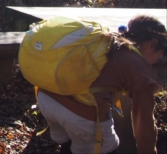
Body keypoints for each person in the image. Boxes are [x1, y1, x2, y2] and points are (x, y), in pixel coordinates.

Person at [37, 15, 166, 154]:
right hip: (78, 115)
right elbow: (144, 127)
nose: (157, 60)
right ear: (151, 44)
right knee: (106, 147)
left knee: (75, 143)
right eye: (160, 55)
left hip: (46, 97)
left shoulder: (106, 41)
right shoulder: (140, 68)